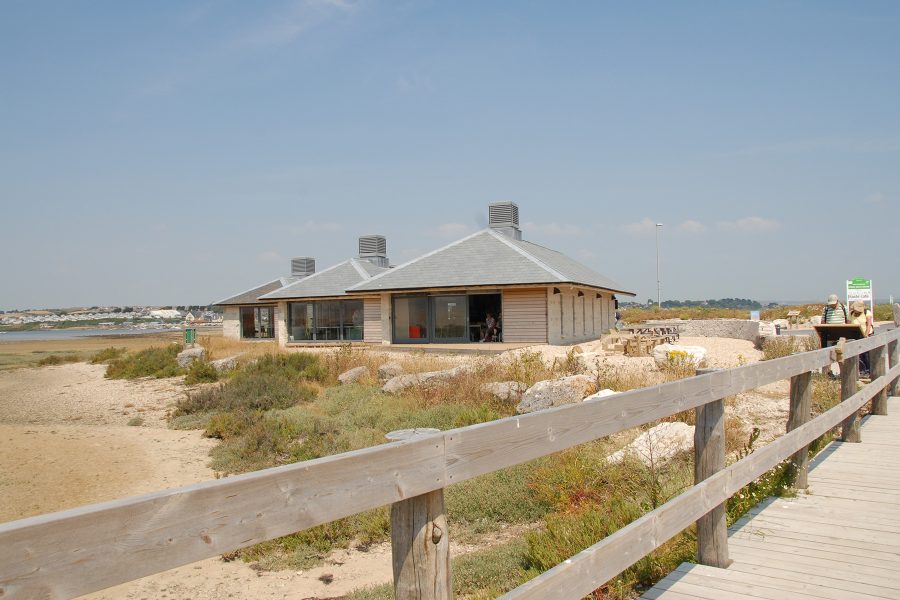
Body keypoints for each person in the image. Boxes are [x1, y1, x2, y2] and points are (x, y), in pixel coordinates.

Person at [850, 300, 874, 376]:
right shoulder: (851, 314)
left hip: (867, 335)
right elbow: (849, 324)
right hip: (856, 336)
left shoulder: (867, 312)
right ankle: (862, 371)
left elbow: (869, 324)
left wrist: (865, 335)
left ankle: (868, 370)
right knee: (859, 355)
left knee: (867, 354)